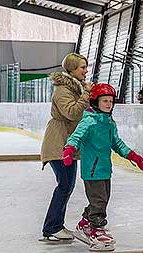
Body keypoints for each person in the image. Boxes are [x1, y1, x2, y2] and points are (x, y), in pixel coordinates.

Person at [62, 83, 143, 251]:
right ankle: (96, 230)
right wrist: (69, 149)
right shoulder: (89, 121)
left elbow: (117, 143)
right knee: (99, 202)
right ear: (95, 102)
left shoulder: (108, 122)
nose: (109, 104)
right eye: (105, 101)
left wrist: (133, 156)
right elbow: (76, 137)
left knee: (102, 200)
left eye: (111, 101)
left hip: (105, 169)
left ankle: (85, 223)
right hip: (92, 171)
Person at [40, 53, 93, 242]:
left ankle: (55, 226)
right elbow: (71, 113)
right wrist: (87, 93)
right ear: (71, 69)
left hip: (67, 142)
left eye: (86, 67)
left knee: (66, 185)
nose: (86, 71)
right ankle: (52, 227)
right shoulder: (63, 90)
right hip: (59, 143)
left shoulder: (74, 88)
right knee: (64, 185)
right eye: (82, 67)